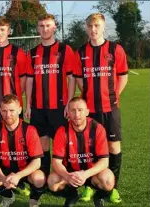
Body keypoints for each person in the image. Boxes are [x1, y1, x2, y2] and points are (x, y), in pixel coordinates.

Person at [73, 13, 128, 203]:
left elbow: (123, 76)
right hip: (90, 110)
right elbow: (79, 79)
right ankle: (89, 186)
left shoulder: (115, 49)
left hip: (110, 108)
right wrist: (89, 97)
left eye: (96, 26)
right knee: (90, 148)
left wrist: (113, 97)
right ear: (86, 28)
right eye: (90, 26)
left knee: (113, 147)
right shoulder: (80, 52)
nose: (93, 30)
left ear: (103, 27)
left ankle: (113, 188)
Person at [25, 13, 76, 180]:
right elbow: (30, 81)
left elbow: (71, 78)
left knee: (62, 144)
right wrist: (28, 105)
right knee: (43, 143)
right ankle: (45, 176)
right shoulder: (32, 53)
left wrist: (69, 103)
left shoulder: (65, 50)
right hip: (38, 108)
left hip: (59, 107)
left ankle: (66, 177)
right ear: (37, 28)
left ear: (55, 27)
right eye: (41, 26)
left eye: (48, 25)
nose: (44, 29)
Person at [48, 97, 115, 207]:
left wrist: (85, 174)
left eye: (80, 110)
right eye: (73, 110)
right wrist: (68, 176)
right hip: (70, 173)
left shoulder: (97, 129)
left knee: (108, 179)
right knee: (52, 181)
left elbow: (104, 161)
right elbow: (56, 162)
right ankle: (72, 195)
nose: (76, 114)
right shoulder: (62, 131)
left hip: (92, 172)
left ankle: (98, 197)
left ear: (87, 112)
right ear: (68, 113)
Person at [0, 94, 45, 207]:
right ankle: (8, 196)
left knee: (39, 178)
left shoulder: (30, 130)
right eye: (4, 111)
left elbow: (37, 162)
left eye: (12, 110)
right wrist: (3, 179)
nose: (8, 115)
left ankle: (34, 199)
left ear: (19, 110)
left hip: (26, 171)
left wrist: (18, 176)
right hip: (5, 172)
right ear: (0, 111)